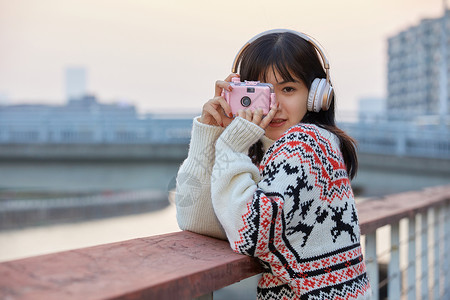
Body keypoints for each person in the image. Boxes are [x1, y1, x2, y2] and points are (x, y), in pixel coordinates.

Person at [175, 29, 371, 300]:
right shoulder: (279, 151)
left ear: (316, 95)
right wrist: (209, 133)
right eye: (261, 91)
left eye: (288, 89)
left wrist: (231, 146)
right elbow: (196, 221)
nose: (274, 105)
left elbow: (250, 232)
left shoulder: (306, 144)